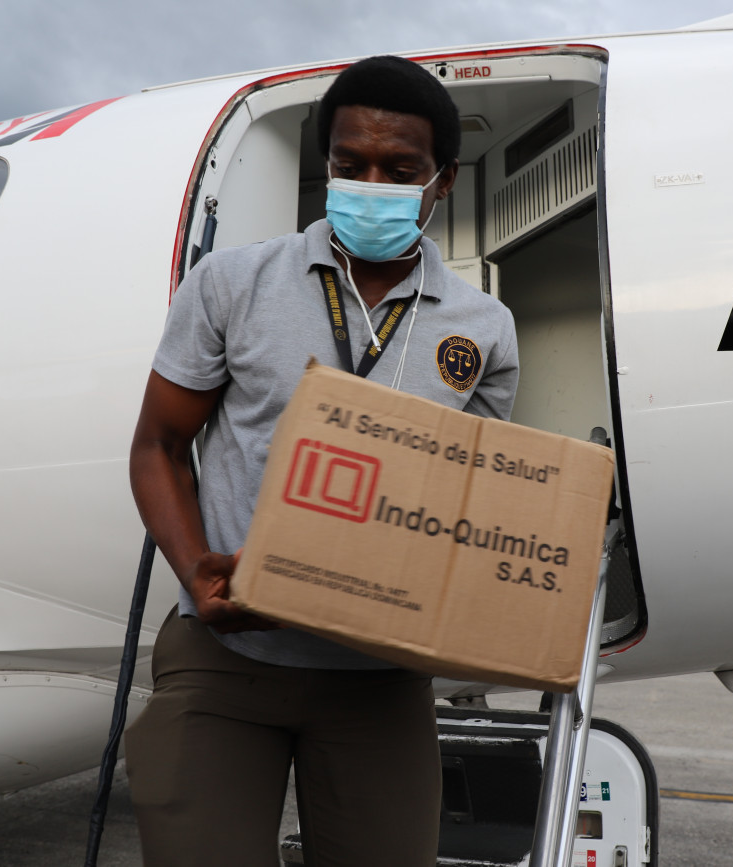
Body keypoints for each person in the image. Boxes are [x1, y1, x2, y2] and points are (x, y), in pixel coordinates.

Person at [123, 55, 519, 867]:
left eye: (399, 171)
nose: (371, 185)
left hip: (380, 676)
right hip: (226, 655)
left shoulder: (482, 328)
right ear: (327, 165)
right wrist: (196, 569)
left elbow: (468, 502)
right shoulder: (231, 283)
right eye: (350, 164)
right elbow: (157, 445)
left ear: (442, 180)